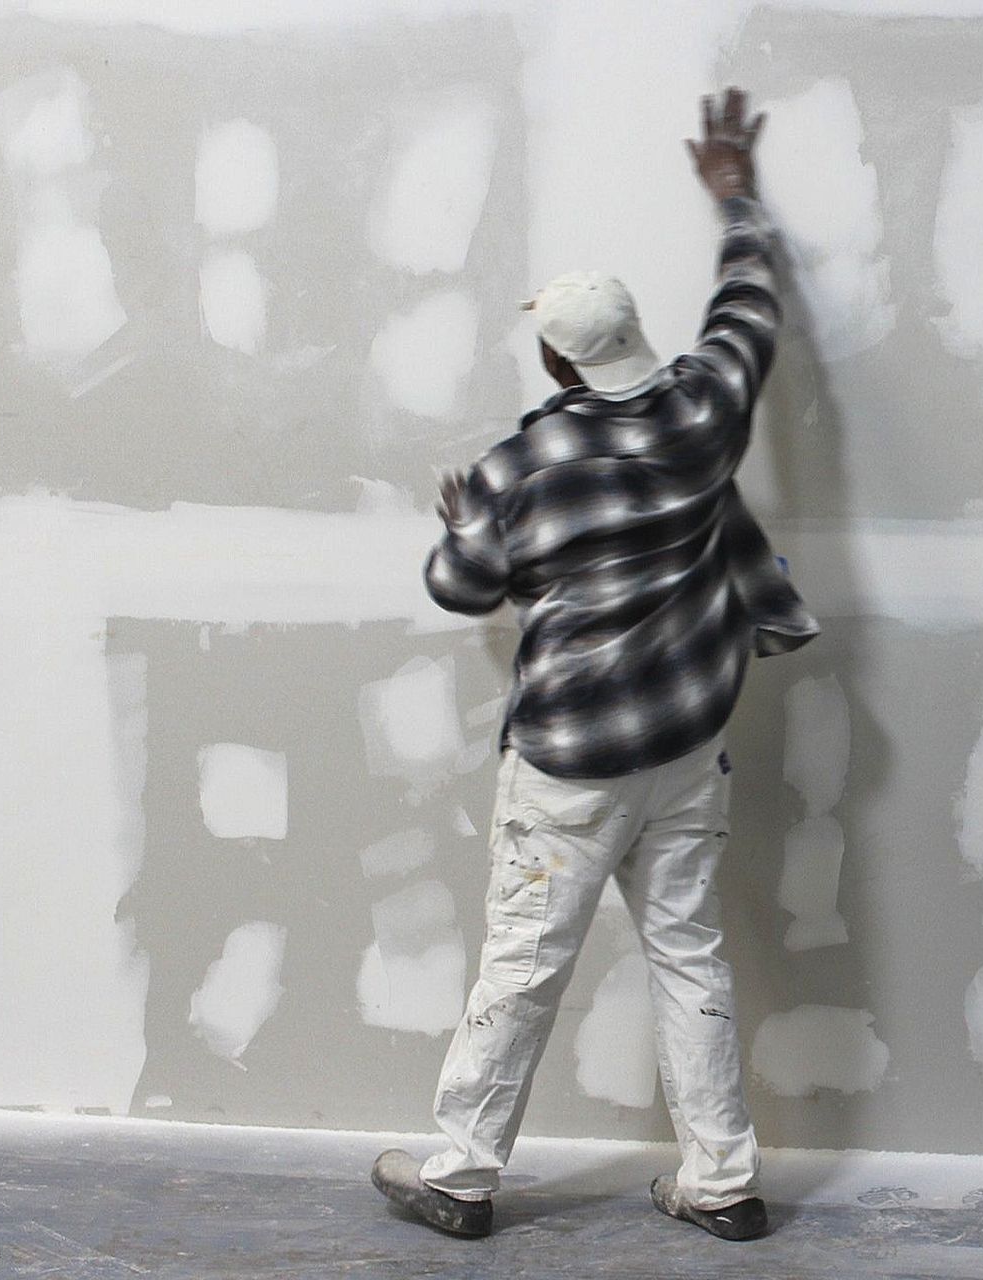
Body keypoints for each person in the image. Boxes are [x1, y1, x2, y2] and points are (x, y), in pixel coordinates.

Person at [370, 87, 815, 1245]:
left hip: (571, 761)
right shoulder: (708, 405)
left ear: (558, 363)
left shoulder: (528, 460)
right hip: (684, 749)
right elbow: (751, 306)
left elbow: (462, 589)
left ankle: (461, 1174)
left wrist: (469, 524)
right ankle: (722, 1182)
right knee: (690, 954)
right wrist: (734, 193)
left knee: (524, 961)